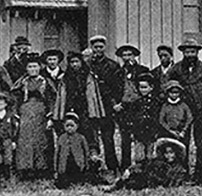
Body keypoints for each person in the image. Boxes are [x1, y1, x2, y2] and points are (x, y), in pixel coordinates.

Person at [168, 37, 202, 182]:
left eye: (193, 52)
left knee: (201, 143)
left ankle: (200, 174)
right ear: (183, 53)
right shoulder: (175, 69)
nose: (190, 55)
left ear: (197, 52)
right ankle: (182, 172)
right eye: (187, 52)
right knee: (182, 142)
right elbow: (169, 87)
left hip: (201, 112)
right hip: (182, 112)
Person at [13, 52, 55, 178]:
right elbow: (15, 99)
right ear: (26, 69)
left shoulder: (45, 82)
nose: (33, 69)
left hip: (41, 114)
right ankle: (26, 170)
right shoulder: (22, 83)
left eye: (35, 67)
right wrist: (15, 115)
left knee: (41, 141)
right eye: (30, 67)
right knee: (25, 141)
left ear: (40, 68)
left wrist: (50, 117)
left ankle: (41, 170)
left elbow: (52, 100)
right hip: (25, 114)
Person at [53, 50, 104, 153]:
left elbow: (93, 95)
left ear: (81, 62)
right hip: (70, 109)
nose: (75, 64)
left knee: (89, 136)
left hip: (86, 110)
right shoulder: (65, 78)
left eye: (77, 62)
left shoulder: (88, 76)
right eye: (72, 62)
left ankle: (91, 161)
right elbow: (61, 96)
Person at [113, 44, 149, 171]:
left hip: (139, 109)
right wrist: (116, 104)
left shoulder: (143, 70)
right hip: (124, 109)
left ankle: (142, 166)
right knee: (125, 139)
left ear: (134, 56)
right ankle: (125, 167)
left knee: (140, 138)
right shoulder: (118, 72)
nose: (127, 58)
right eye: (124, 55)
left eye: (130, 55)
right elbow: (114, 90)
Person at [88, 35, 120, 172]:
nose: (98, 50)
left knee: (108, 137)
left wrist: (113, 102)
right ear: (92, 48)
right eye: (96, 47)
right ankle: (94, 166)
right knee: (92, 137)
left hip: (107, 106)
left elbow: (117, 87)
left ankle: (112, 166)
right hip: (91, 106)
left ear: (105, 47)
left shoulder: (112, 65)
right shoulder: (87, 65)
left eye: (101, 47)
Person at [158, 80, 193, 174]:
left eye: (176, 93)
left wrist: (183, 131)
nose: (174, 95)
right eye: (172, 93)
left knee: (182, 152)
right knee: (169, 152)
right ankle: (169, 172)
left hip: (182, 133)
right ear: (168, 93)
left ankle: (184, 172)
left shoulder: (184, 106)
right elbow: (161, 120)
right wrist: (170, 131)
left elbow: (189, 118)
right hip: (169, 133)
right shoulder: (165, 106)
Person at [128, 72, 161, 165]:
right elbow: (132, 117)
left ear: (151, 87)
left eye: (145, 87)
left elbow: (157, 117)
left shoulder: (156, 102)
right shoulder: (136, 103)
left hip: (151, 132)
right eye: (140, 87)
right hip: (139, 133)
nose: (142, 90)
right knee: (139, 156)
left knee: (151, 156)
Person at [54, 111, 90, 188]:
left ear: (77, 126)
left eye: (72, 125)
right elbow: (57, 153)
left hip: (77, 165)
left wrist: (86, 166)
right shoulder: (61, 138)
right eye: (67, 126)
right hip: (65, 166)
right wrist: (56, 169)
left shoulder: (81, 138)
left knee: (79, 178)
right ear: (63, 126)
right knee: (62, 182)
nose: (69, 128)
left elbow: (86, 152)